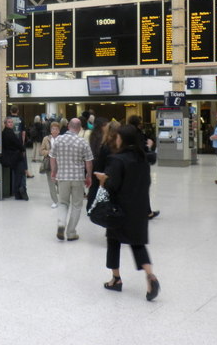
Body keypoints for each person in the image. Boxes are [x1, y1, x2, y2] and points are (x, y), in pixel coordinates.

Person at [94, 124, 160, 301]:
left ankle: (116, 279)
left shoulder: (117, 160)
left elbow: (112, 185)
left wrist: (103, 181)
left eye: (118, 137)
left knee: (113, 241)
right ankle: (150, 275)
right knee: (137, 243)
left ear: (122, 139)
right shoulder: (142, 159)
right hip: (139, 208)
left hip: (120, 209)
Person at [49, 118, 93, 241]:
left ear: (68, 126)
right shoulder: (82, 142)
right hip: (78, 178)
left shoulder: (58, 140)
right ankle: (71, 232)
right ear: (79, 128)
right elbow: (88, 162)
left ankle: (61, 224)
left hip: (62, 177)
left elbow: (52, 157)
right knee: (77, 205)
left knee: (63, 203)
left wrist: (54, 171)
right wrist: (88, 176)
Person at [127, 115, 160, 219]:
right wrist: (149, 146)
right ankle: (147, 212)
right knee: (143, 189)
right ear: (138, 123)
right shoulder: (139, 134)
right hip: (140, 165)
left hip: (128, 164)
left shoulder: (126, 133)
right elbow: (142, 150)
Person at [1, 117, 28, 200]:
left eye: (12, 122)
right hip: (14, 156)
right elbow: (17, 143)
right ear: (5, 124)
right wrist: (23, 149)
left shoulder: (6, 132)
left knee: (17, 174)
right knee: (19, 174)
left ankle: (17, 191)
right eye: (9, 122)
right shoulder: (9, 133)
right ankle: (19, 192)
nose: (11, 123)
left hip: (10, 156)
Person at [40, 121, 61, 208]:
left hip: (60, 163)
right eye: (53, 129)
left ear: (59, 130)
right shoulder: (46, 139)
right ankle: (55, 201)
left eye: (56, 129)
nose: (54, 130)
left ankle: (63, 198)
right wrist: (49, 152)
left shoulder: (62, 139)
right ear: (50, 130)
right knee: (51, 182)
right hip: (49, 163)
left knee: (59, 182)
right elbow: (41, 151)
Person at [10, 106, 33, 179]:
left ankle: (12, 172)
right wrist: (22, 143)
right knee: (23, 157)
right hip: (19, 142)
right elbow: (23, 132)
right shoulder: (21, 119)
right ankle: (26, 172)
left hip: (10, 142)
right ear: (18, 111)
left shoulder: (8, 119)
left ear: (10, 111)